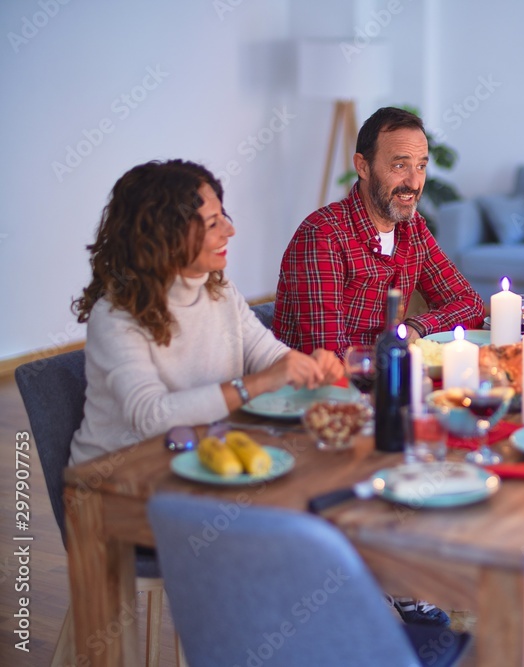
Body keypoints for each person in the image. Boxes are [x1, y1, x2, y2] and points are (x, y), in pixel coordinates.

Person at [70, 160, 343, 465]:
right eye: (213, 223)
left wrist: (304, 368)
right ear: (165, 237)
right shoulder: (114, 316)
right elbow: (150, 418)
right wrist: (259, 383)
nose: (230, 230)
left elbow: (265, 354)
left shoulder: (218, 288)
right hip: (117, 477)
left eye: (223, 216)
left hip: (200, 456)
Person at [273, 106, 485, 356]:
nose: (414, 183)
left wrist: (416, 327)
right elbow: (327, 358)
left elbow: (470, 304)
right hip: (321, 390)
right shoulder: (323, 236)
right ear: (363, 167)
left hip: (384, 378)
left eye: (420, 166)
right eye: (399, 166)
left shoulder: (412, 228)